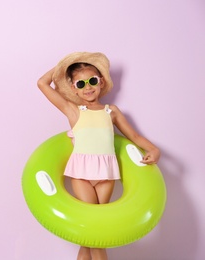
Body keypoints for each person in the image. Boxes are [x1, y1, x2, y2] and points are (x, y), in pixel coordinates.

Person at [37, 52, 160, 260]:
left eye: (92, 81)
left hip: (106, 174)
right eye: (81, 83)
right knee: (93, 230)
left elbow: (134, 135)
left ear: (101, 81)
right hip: (81, 174)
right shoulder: (74, 111)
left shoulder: (111, 111)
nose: (88, 87)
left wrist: (154, 150)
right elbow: (42, 83)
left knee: (92, 233)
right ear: (74, 88)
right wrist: (63, 65)